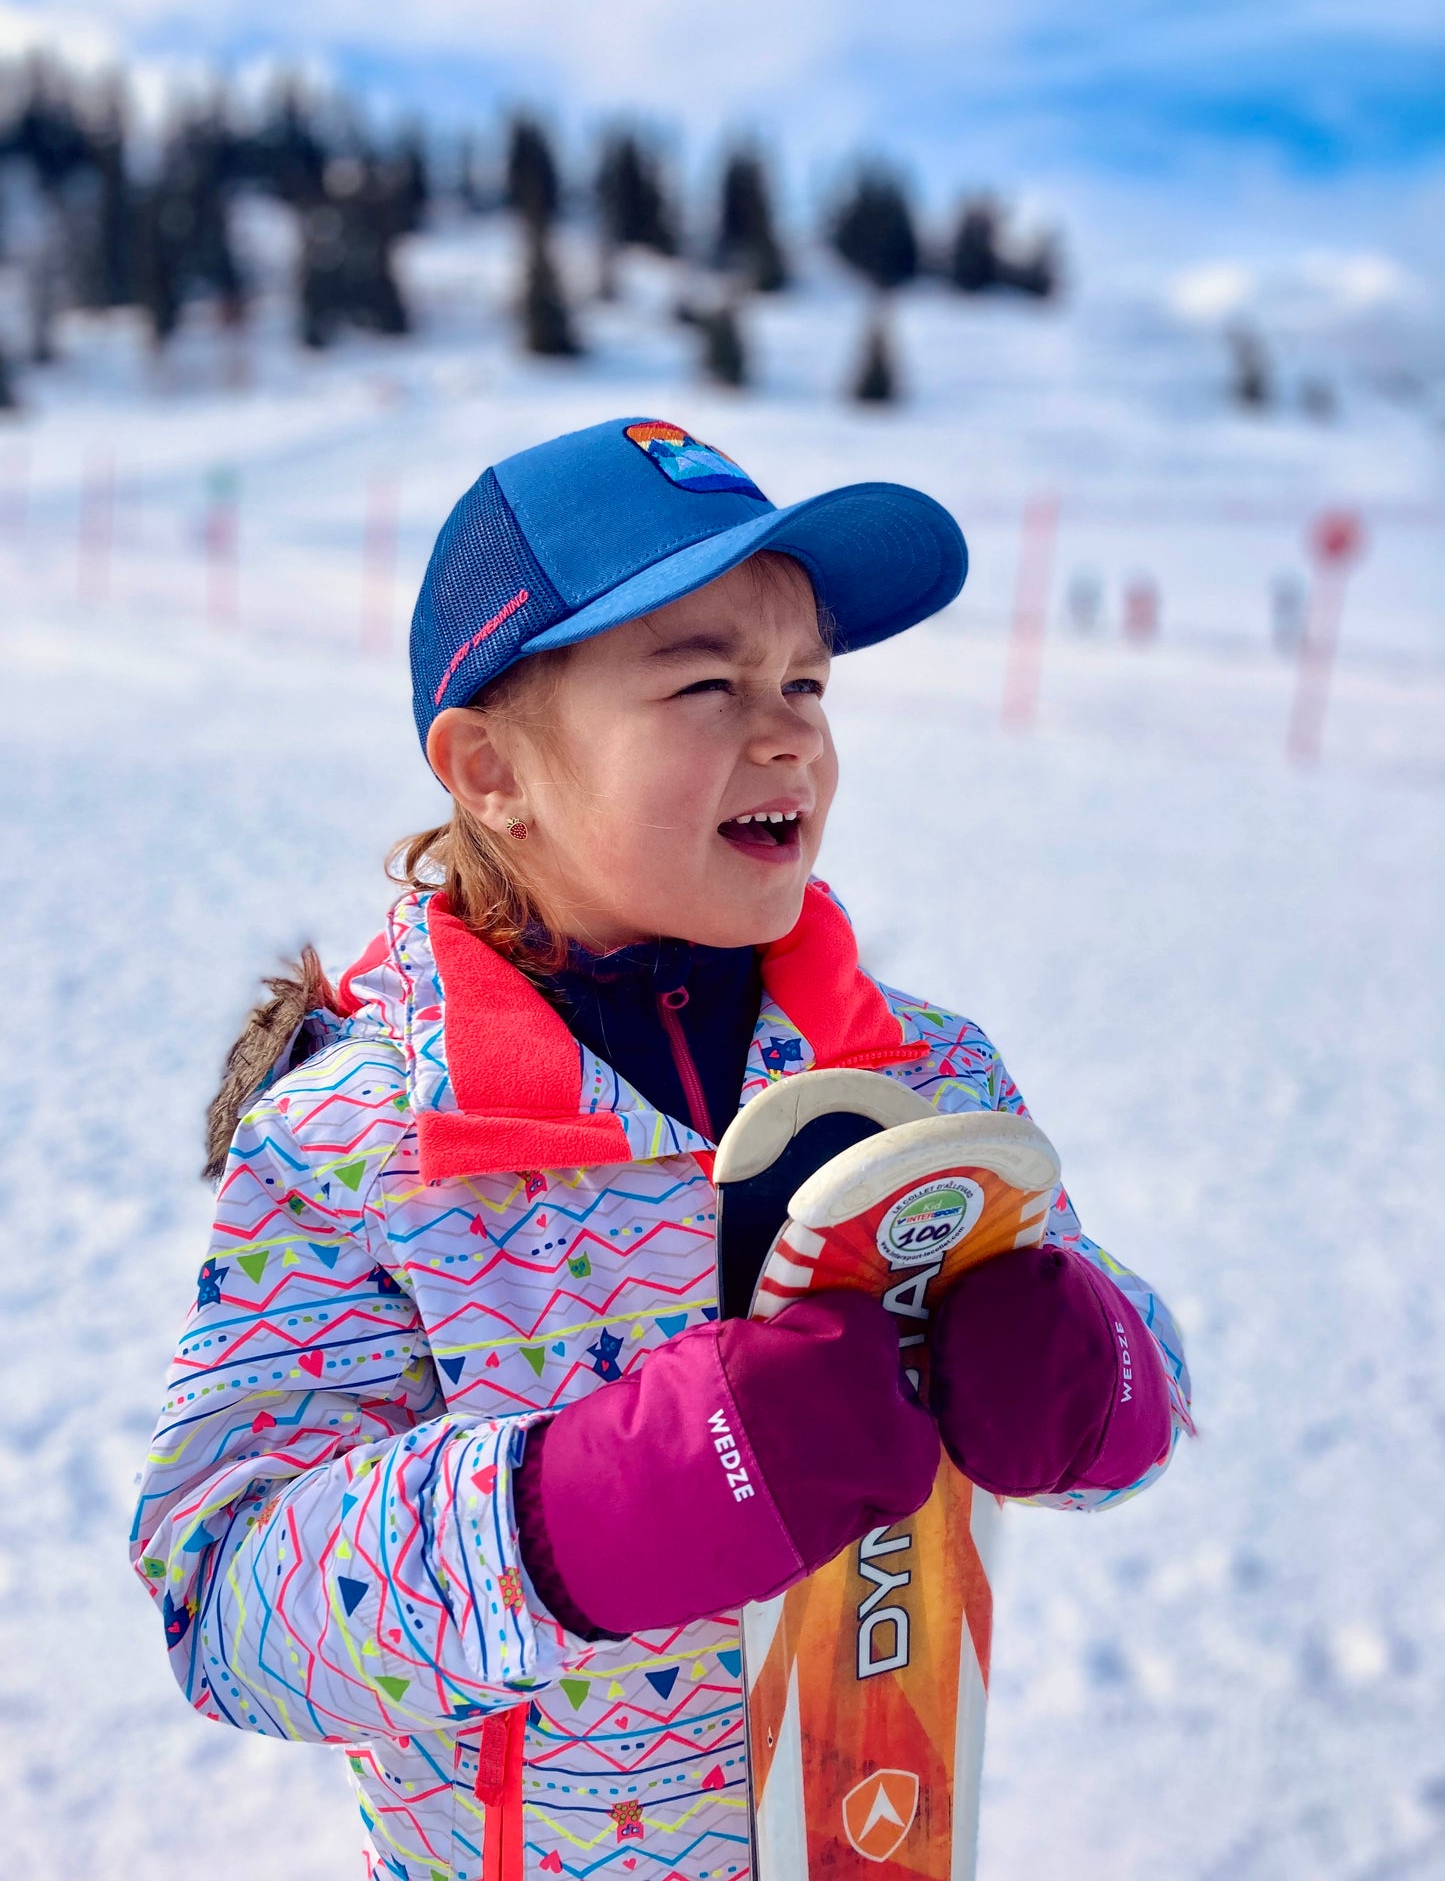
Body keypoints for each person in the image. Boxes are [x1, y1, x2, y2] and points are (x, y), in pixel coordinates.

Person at [132, 417, 1193, 1881]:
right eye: (706, 682)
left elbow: (1131, 1389)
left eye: (805, 681)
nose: (789, 733)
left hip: (871, 1833)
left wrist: (1093, 1381)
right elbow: (229, 1606)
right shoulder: (361, 1141)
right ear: (491, 768)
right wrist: (575, 1516)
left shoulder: (920, 1075)